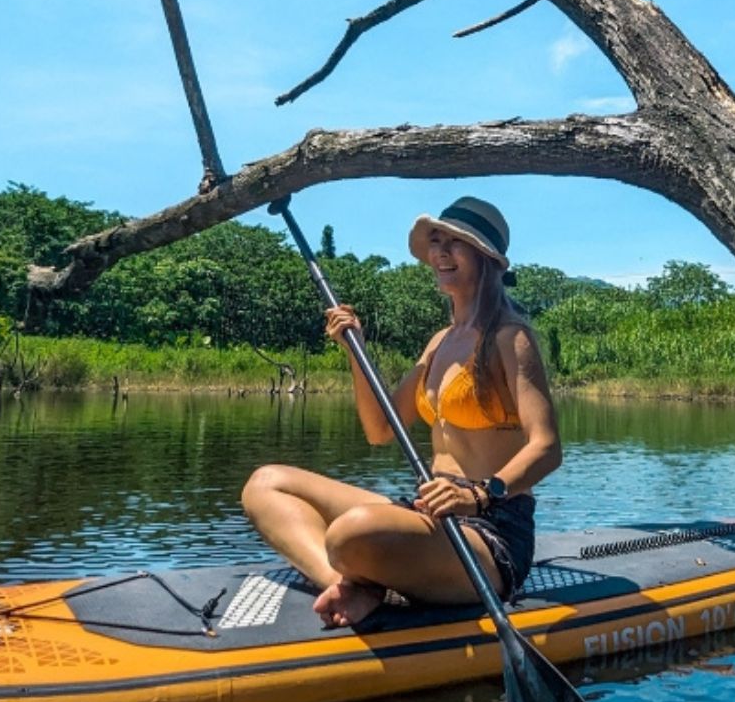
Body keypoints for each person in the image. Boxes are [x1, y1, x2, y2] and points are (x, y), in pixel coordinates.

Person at [241, 197, 562, 628]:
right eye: (436, 241)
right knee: (266, 484)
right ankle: (349, 584)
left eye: (456, 243)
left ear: (487, 259)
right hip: (429, 511)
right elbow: (379, 430)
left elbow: (547, 447)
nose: (441, 253)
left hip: (489, 530)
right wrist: (355, 350)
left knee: (350, 533)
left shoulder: (511, 337)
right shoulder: (439, 343)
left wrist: (481, 493)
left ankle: (360, 573)